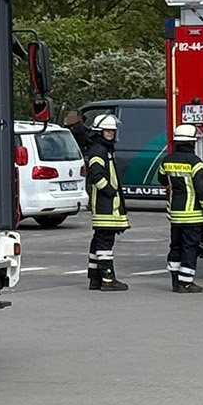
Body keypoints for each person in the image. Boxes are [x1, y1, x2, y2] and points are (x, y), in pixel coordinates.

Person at [159, 123, 203, 293]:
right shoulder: (195, 163)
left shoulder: (167, 160)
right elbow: (201, 189)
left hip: (175, 213)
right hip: (193, 214)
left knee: (175, 246)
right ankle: (186, 282)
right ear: (192, 143)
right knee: (190, 247)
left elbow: (162, 179)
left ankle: (175, 282)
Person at [84, 112, 130, 291]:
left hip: (106, 204)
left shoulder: (103, 149)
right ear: (99, 131)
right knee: (105, 242)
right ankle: (108, 278)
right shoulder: (99, 150)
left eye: (112, 131)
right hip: (105, 205)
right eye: (107, 131)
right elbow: (95, 175)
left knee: (98, 240)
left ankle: (95, 278)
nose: (111, 134)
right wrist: (110, 191)